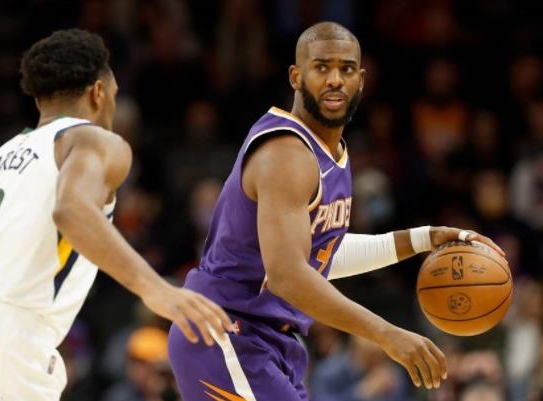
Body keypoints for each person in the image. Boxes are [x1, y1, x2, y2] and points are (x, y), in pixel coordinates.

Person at [167, 21, 505, 401]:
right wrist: (386, 334)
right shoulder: (287, 154)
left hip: (264, 340)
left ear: (361, 80)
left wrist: (423, 238)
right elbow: (288, 275)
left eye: (346, 69)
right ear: (296, 77)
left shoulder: (332, 153)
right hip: (226, 333)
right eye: (321, 67)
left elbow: (318, 259)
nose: (334, 79)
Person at [0, 29, 233, 401]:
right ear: (98, 93)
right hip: (9, 343)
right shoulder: (93, 140)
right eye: (114, 95)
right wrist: (158, 291)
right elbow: (71, 210)